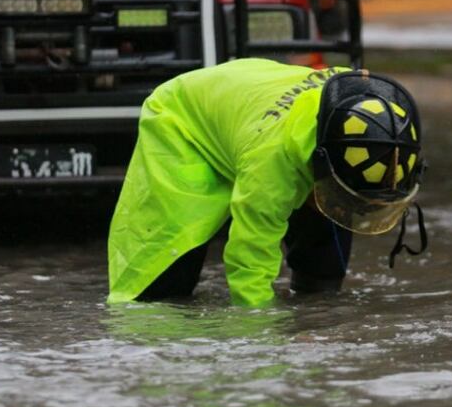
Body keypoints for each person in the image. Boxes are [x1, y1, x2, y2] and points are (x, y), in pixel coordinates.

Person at [107, 58, 427, 306]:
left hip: (247, 108)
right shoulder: (271, 166)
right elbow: (250, 263)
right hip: (184, 120)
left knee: (324, 269)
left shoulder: (365, 116)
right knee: (164, 282)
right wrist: (261, 335)